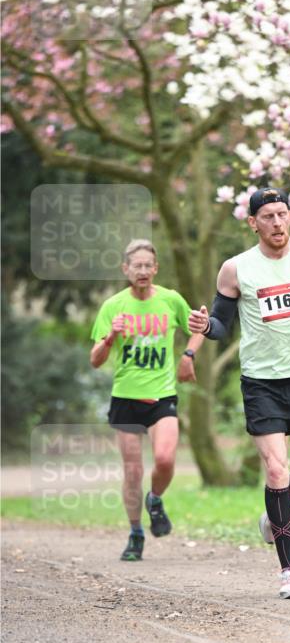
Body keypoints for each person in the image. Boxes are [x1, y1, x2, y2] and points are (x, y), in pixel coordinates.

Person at [188, 187, 290, 599]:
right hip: (262, 384)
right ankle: (289, 572)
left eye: (282, 214)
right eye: (268, 216)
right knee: (276, 471)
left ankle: (274, 515)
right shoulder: (236, 269)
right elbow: (222, 324)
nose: (277, 222)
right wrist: (206, 327)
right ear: (253, 223)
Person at [90, 239, 204, 561]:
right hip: (125, 398)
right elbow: (95, 360)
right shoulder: (113, 306)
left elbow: (199, 328)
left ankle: (154, 499)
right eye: (136, 266)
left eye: (147, 265)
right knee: (133, 472)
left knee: (165, 459)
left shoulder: (170, 300)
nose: (142, 270)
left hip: (162, 395)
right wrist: (111, 337)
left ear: (155, 269)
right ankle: (136, 533)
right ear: (126, 269)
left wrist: (188, 356)